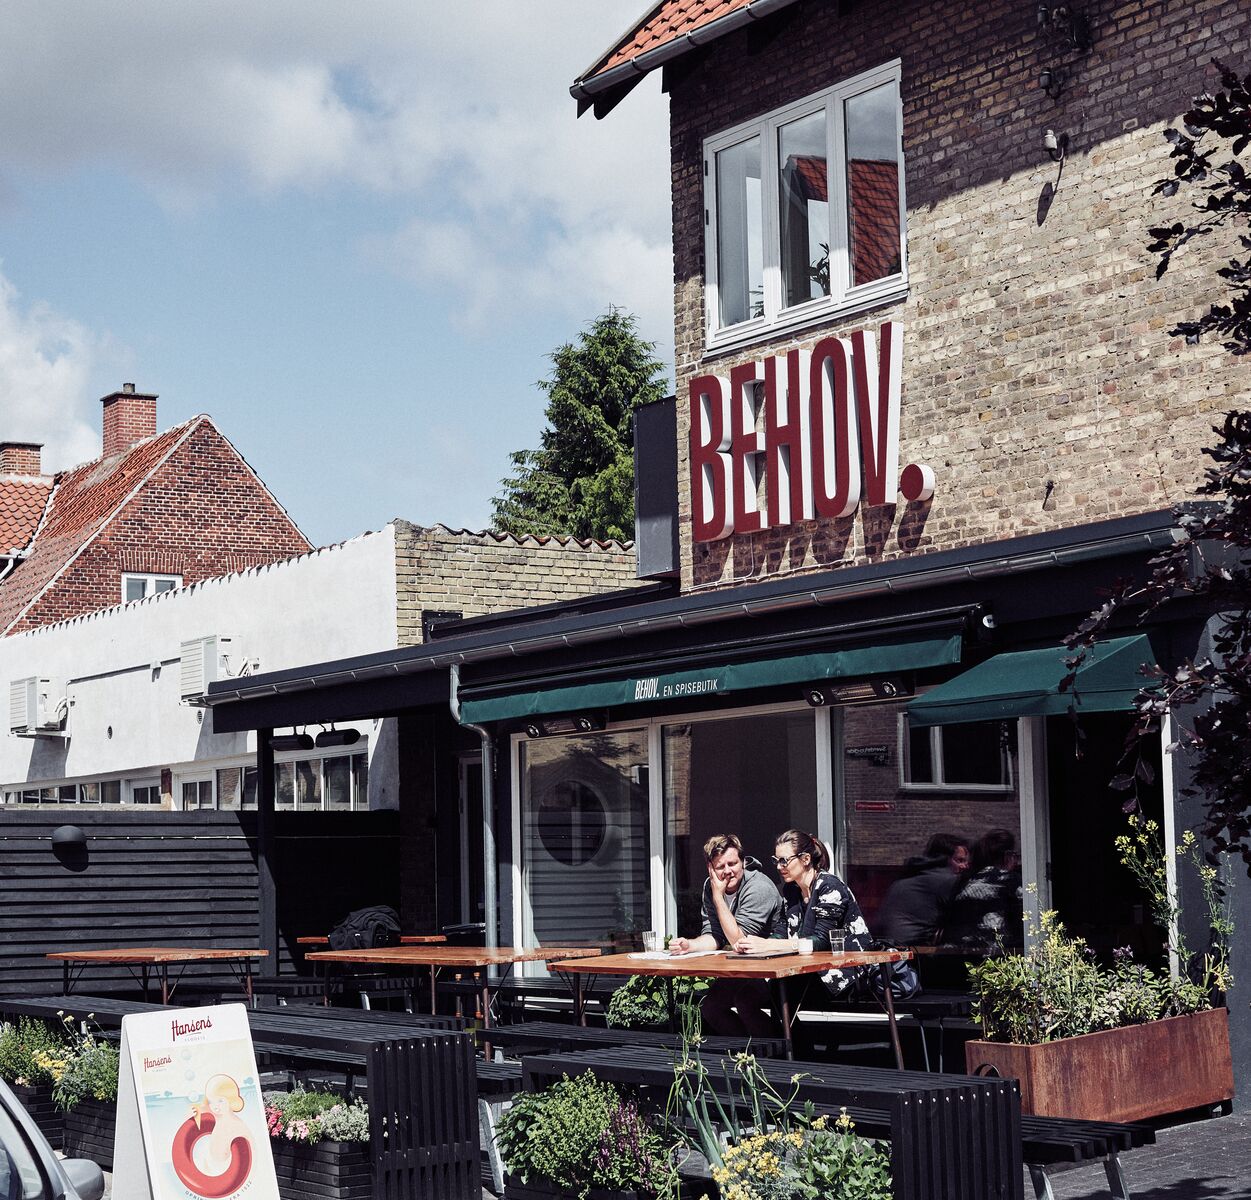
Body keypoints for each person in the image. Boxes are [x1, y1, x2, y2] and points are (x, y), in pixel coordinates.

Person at [735, 828, 872, 1000]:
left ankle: (786, 1028)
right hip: (808, 971)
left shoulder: (829, 886)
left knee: (761, 995)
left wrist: (768, 946)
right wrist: (754, 944)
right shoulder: (791, 890)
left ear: (806, 859)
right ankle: (785, 1028)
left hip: (845, 975)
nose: (779, 866)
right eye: (776, 860)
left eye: (784, 860)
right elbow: (782, 931)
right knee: (746, 997)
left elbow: (821, 940)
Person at [669, 833, 784, 1036]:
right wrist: (689, 945)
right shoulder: (710, 886)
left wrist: (718, 898)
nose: (728, 871)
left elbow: (739, 941)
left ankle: (775, 1057)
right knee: (711, 1007)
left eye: (733, 863)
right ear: (710, 868)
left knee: (745, 1002)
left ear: (743, 862)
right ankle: (744, 1054)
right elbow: (714, 935)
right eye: (720, 867)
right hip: (742, 966)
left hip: (773, 968)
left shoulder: (759, 887)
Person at [875, 832, 970, 946]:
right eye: (959, 860)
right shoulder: (945, 880)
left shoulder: (909, 877)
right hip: (912, 953)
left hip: (889, 949)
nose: (965, 866)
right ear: (944, 859)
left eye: (965, 861)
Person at [942, 828, 1023, 953]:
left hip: (954, 957)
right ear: (1008, 856)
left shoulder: (963, 881)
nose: (1016, 862)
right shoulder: (1010, 880)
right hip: (991, 958)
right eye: (1015, 856)